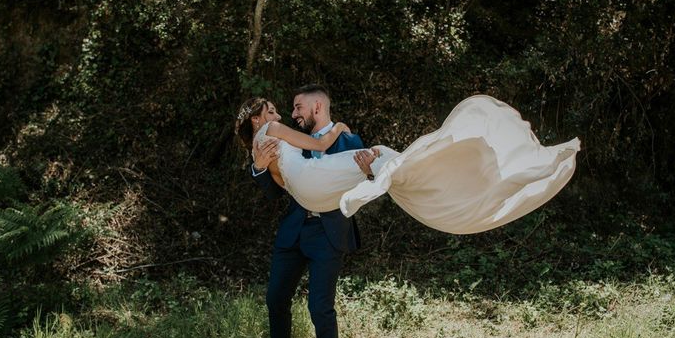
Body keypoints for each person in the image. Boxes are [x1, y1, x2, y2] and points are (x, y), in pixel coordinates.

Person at [239, 94, 580, 236]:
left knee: (383, 163)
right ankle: (376, 183)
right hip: (315, 188)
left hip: (308, 196)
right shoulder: (271, 131)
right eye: (270, 110)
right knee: (382, 153)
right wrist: (339, 128)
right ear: (257, 119)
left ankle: (373, 184)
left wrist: (260, 166)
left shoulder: (261, 151)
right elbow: (318, 144)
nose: (278, 114)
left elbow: (282, 184)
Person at [240, 85, 367, 338]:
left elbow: (365, 184)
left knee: (320, 307)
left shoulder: (349, 141)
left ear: (318, 106)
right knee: (275, 298)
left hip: (327, 233)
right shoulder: (286, 139)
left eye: (298, 108)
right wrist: (258, 168)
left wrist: (371, 174)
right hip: (294, 231)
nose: (292, 113)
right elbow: (275, 192)